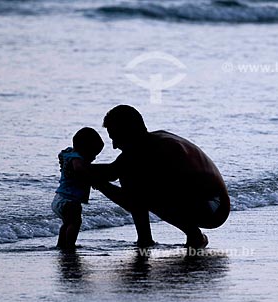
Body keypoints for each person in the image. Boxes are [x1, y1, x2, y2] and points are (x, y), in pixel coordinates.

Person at [92, 105, 230, 249]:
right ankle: (145, 238)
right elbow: (114, 171)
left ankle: (192, 235)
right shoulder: (151, 142)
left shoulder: (158, 148)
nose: (114, 146)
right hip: (209, 203)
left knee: (135, 183)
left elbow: (112, 174)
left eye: (116, 138)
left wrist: (85, 172)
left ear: (129, 131)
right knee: (131, 177)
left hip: (214, 207)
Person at [51, 127, 104, 250]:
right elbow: (79, 168)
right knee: (75, 222)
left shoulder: (69, 153)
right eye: (93, 154)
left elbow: (62, 154)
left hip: (60, 198)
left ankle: (61, 244)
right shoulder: (77, 158)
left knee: (67, 223)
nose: (94, 158)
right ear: (84, 150)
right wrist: (91, 179)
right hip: (70, 199)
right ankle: (70, 245)